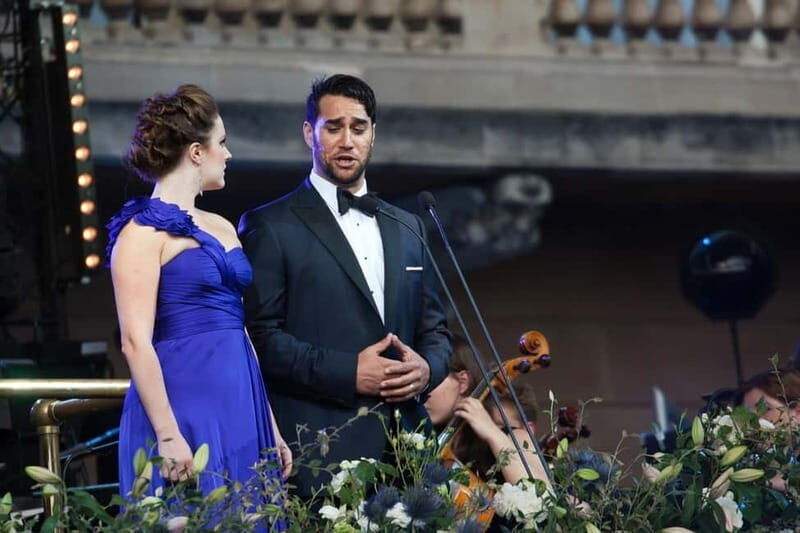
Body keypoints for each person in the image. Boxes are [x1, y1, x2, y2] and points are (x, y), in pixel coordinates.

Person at [238, 74, 452, 496]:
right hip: (319, 455)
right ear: (308, 133)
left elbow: (437, 332)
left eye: (358, 127)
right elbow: (259, 340)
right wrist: (348, 372)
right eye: (333, 127)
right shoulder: (270, 224)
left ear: (373, 134)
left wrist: (427, 369)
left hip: (410, 458)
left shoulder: (408, 225)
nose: (347, 140)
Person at [107, 85, 291, 502]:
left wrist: (270, 423)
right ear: (195, 152)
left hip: (239, 398)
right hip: (182, 401)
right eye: (221, 143)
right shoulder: (140, 234)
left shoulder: (223, 226)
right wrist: (168, 434)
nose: (227, 154)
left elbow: (239, 330)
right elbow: (135, 342)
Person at [424, 338, 551, 486]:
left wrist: (492, 433)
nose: (420, 393)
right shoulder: (430, 443)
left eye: (429, 380)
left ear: (462, 382)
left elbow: (544, 500)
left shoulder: (514, 437)